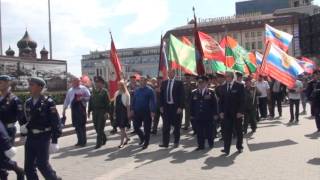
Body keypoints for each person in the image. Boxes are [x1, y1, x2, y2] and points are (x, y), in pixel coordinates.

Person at [21, 77, 62, 180]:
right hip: (31, 137)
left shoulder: (48, 102)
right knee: (28, 167)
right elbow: (26, 120)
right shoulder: (28, 102)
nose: (29, 87)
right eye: (29, 84)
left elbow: (55, 121)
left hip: (43, 137)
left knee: (42, 165)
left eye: (32, 85)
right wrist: (23, 133)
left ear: (40, 87)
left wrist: (55, 140)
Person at [219, 71, 245, 155]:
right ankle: (226, 148)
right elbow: (221, 101)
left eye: (227, 76)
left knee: (238, 131)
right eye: (225, 76)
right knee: (227, 131)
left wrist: (240, 111)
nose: (225, 78)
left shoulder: (239, 86)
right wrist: (221, 112)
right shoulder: (223, 87)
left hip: (237, 113)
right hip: (227, 114)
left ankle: (239, 146)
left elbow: (242, 100)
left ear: (231, 77)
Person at [191, 76, 218, 150]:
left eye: (202, 82)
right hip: (198, 115)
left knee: (209, 131)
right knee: (199, 132)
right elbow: (192, 105)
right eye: (199, 83)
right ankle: (201, 146)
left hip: (208, 115)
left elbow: (215, 104)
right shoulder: (194, 92)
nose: (200, 84)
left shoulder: (211, 92)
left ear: (206, 83)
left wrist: (215, 114)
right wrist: (192, 114)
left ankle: (211, 143)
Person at [159, 70, 185, 148]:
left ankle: (176, 142)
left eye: (171, 73)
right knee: (166, 126)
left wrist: (180, 107)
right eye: (168, 73)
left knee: (177, 126)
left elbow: (182, 96)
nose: (170, 74)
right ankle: (165, 143)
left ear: (174, 73)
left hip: (176, 107)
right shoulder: (164, 83)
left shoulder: (179, 83)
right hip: (167, 107)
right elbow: (161, 95)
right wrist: (161, 106)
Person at [63, 77, 91, 147]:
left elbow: (90, 97)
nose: (77, 83)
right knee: (76, 126)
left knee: (82, 126)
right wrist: (64, 109)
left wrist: (83, 98)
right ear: (73, 82)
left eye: (78, 82)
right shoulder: (70, 90)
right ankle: (79, 141)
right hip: (74, 110)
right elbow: (67, 100)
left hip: (81, 109)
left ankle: (83, 142)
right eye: (75, 82)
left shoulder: (83, 88)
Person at [131, 76, 156, 149]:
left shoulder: (150, 90)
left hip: (146, 112)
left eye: (142, 81)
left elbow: (153, 101)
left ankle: (146, 143)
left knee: (147, 128)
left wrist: (152, 111)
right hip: (137, 111)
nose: (141, 82)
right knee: (135, 127)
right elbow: (134, 100)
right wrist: (132, 109)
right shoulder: (137, 90)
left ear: (146, 81)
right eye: (140, 81)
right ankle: (142, 137)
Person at [0, 75, 25, 145]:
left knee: (5, 154)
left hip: (8, 131)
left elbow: (21, 117)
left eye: (0, 82)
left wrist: (23, 134)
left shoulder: (14, 100)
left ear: (7, 84)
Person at [88, 76, 110, 149]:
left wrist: (107, 112)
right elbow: (91, 102)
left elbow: (108, 103)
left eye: (99, 83)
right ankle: (103, 137)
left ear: (102, 83)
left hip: (102, 111)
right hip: (95, 112)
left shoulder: (104, 91)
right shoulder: (93, 91)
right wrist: (89, 111)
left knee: (100, 127)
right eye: (96, 82)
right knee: (96, 127)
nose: (97, 84)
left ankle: (98, 143)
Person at [114, 80, 131, 148]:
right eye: (119, 85)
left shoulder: (127, 94)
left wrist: (128, 114)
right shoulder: (116, 93)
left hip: (123, 112)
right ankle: (126, 138)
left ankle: (121, 143)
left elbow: (128, 105)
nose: (120, 86)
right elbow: (115, 104)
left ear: (124, 85)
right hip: (118, 112)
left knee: (122, 128)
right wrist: (114, 113)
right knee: (121, 127)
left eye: (121, 85)